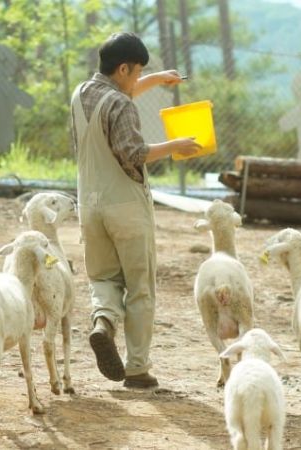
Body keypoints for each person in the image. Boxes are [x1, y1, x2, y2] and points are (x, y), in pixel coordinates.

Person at [70, 32, 201, 389]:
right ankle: (137, 368)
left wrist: (158, 78)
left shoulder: (81, 94)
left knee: (103, 278)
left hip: (90, 205)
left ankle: (103, 322)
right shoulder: (122, 105)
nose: (137, 78)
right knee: (140, 287)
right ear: (124, 68)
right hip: (126, 204)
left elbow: (117, 97)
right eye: (137, 71)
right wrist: (176, 145)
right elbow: (135, 152)